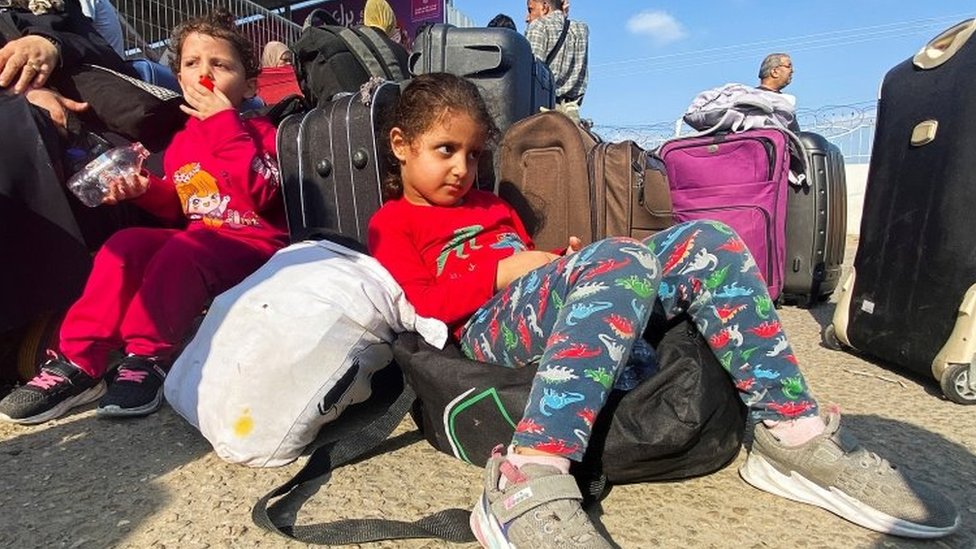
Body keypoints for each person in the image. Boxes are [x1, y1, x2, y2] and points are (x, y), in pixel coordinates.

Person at [367, 73, 959, 548]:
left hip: (531, 303)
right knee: (617, 260)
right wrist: (506, 271)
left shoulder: (493, 205)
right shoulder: (394, 222)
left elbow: (528, 262)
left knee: (711, 242)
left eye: (472, 154)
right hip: (483, 328)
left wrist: (557, 263)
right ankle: (530, 472)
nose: (461, 169)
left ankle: (792, 431)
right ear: (401, 146)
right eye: (445, 151)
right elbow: (420, 302)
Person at [0, 8, 288, 425]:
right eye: (191, 64)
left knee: (185, 250)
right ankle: (80, 360)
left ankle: (147, 355)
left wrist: (227, 124)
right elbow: (181, 205)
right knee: (124, 245)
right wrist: (146, 190)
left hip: (253, 246)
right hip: (201, 242)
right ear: (180, 79)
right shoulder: (182, 143)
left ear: (249, 85)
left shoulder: (259, 131)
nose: (204, 76)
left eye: (220, 65)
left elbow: (261, 191)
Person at [525, 0, 588, 122]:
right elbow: (581, 77)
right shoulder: (582, 30)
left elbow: (532, 76)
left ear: (544, 7)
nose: (527, 18)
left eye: (530, 9)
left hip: (543, 111)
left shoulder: (538, 26)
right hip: (572, 114)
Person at [757, 52, 800, 131]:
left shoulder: (786, 100)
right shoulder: (753, 99)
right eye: (788, 66)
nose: (792, 71)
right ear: (774, 72)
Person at [256, 40, 301, 105]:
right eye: (285, 60)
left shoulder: (295, 76)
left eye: (290, 60)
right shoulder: (257, 81)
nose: (289, 63)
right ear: (272, 58)